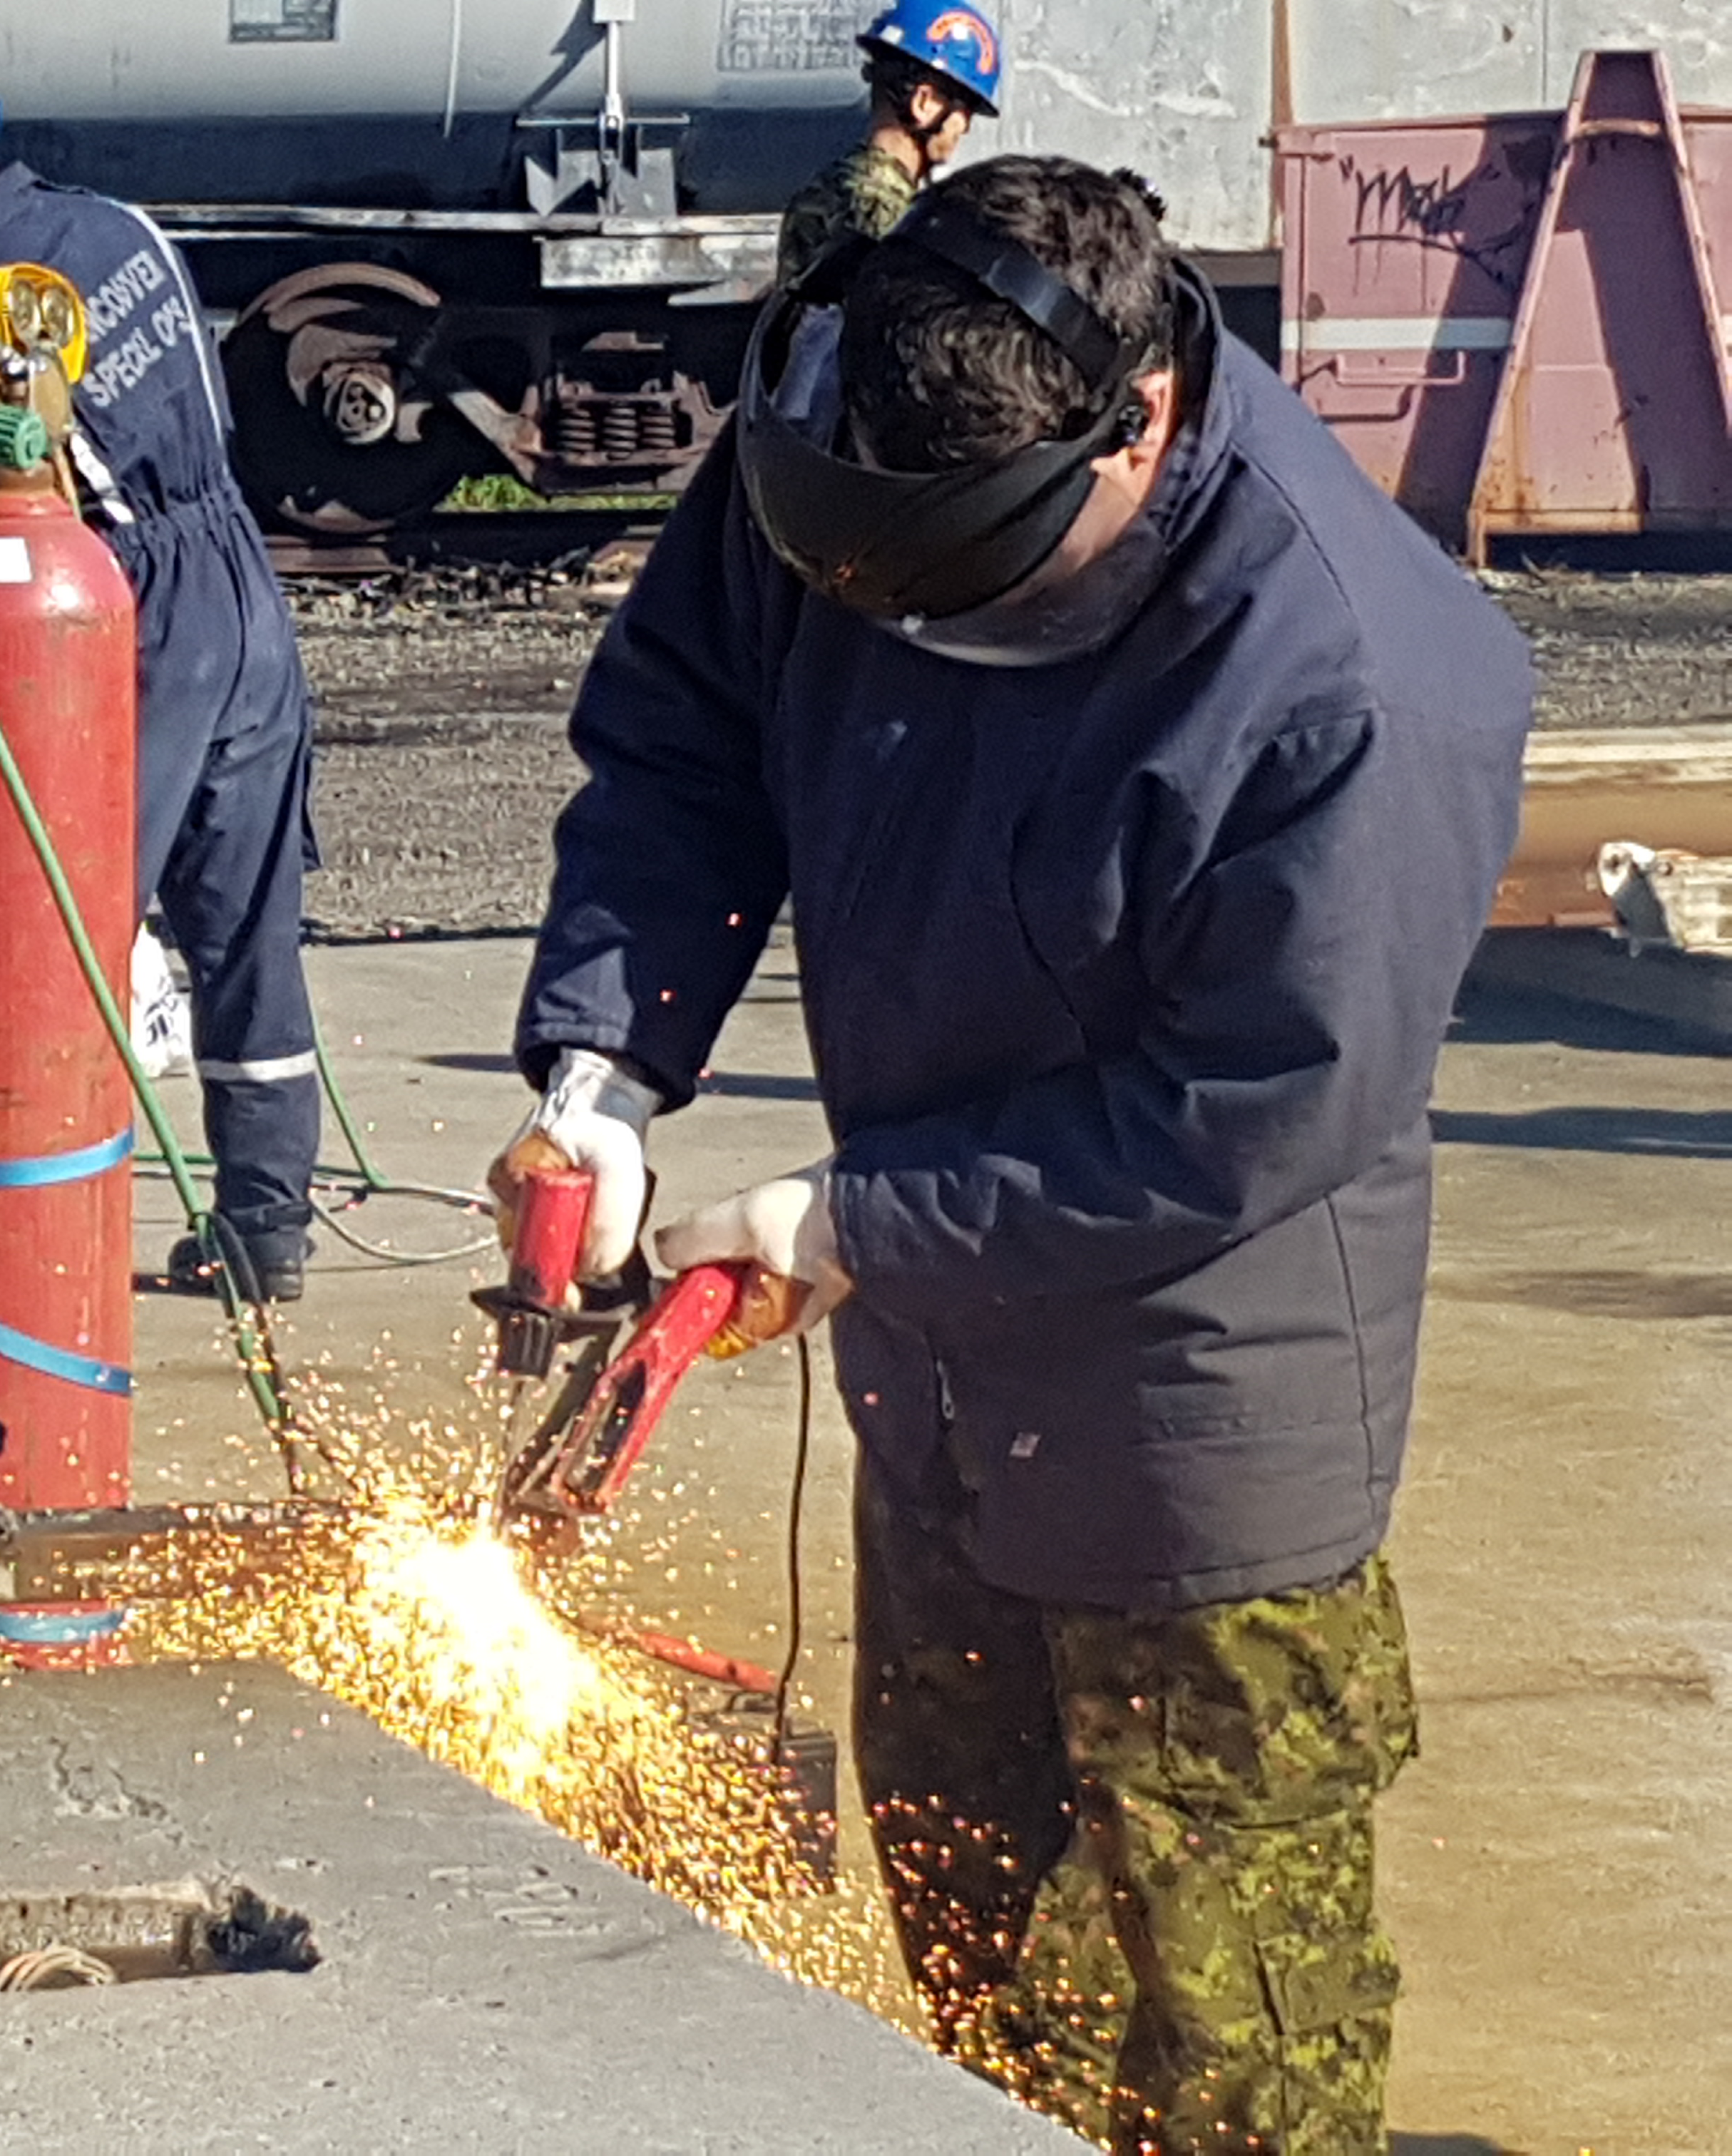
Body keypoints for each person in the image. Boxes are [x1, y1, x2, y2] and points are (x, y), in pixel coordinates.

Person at [499, 158, 1530, 2152]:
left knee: (1226, 2039)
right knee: (973, 1954)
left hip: (1193, 1423)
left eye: (949, 588)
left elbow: (1248, 1109)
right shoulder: (848, 441)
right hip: (943, 1389)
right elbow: (687, 748)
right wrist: (605, 1070)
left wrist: (850, 1221)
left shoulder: (1353, 688)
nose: (884, 627)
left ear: (1129, 428)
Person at [0, 36, 324, 1303]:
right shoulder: (119, 225)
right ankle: (266, 1227)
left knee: (58, 929)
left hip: (124, 619)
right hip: (241, 586)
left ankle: (32, 1227)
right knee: (248, 929)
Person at [772, 0, 1003, 291]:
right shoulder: (882, 211)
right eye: (965, 111)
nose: (965, 128)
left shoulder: (830, 186)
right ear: (924, 103)